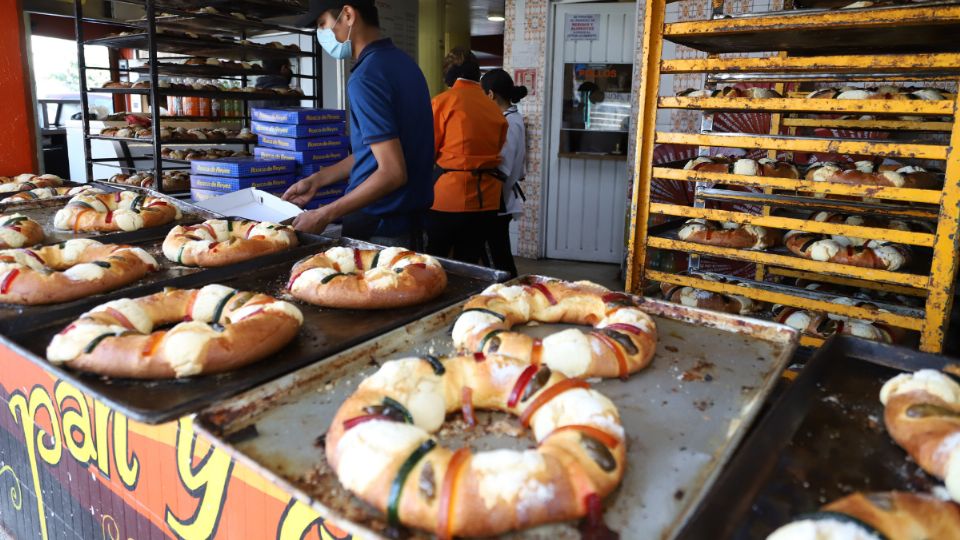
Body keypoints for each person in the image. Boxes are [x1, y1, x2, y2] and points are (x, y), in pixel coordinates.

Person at [284, 0, 434, 248]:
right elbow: (375, 154)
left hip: (381, 229)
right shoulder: (405, 64)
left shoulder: (366, 77)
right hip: (412, 224)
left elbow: (393, 172)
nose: (322, 34)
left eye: (323, 24)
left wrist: (324, 214)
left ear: (348, 15)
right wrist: (318, 180)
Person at [426, 48, 508, 264]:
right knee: (470, 263)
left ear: (449, 75)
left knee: (436, 262)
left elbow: (428, 150)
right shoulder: (494, 108)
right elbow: (499, 147)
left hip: (448, 197)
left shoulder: (442, 102)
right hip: (487, 199)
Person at [480, 68, 527, 278]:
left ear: (490, 95)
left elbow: (502, 167)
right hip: (502, 197)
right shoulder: (511, 118)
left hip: (498, 198)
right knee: (500, 253)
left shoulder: (507, 122)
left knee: (497, 258)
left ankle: (507, 294)